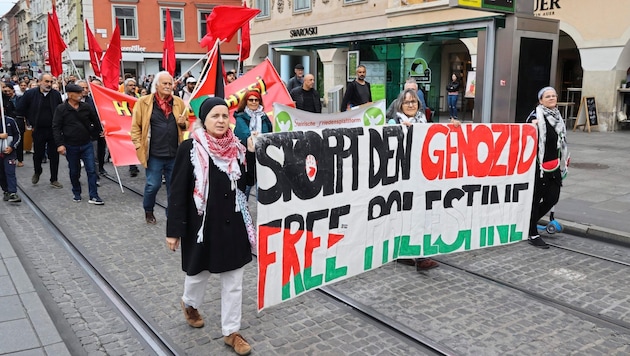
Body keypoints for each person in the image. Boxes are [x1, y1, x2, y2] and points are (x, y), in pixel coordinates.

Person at [166, 97, 253, 356]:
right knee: (198, 274)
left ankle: (231, 332)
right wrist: (174, 230)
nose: (221, 120)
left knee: (234, 281)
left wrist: (254, 153)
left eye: (225, 116)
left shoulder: (237, 147)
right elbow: (178, 190)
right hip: (202, 224)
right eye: (215, 116)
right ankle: (189, 303)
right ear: (204, 120)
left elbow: (248, 180)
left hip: (233, 223)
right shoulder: (190, 148)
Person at [387, 88, 460, 270]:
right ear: (400, 105)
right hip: (401, 178)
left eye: (414, 102)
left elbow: (440, 135)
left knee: (421, 214)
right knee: (404, 215)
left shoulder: (424, 121)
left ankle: (420, 256)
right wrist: (401, 131)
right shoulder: (392, 121)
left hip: (422, 176)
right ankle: (402, 252)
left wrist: (454, 126)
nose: (411, 105)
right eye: (407, 102)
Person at [131, 71, 189, 224]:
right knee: (153, 185)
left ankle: (172, 214)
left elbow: (186, 125)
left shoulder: (178, 102)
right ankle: (148, 210)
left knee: (173, 187)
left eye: (170, 83)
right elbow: (135, 127)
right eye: (165, 83)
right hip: (154, 154)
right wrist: (138, 145)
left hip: (174, 154)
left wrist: (183, 123)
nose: (168, 86)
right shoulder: (143, 102)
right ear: (156, 85)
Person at [525, 86, 569, 249]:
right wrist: (533, 127)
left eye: (553, 95)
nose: (551, 98)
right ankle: (532, 232)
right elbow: (525, 136)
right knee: (535, 200)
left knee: (553, 198)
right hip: (539, 166)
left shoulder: (557, 116)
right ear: (540, 100)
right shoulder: (535, 116)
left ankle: (529, 222)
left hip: (554, 165)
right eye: (547, 96)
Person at [52, 84, 104, 204]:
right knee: (74, 171)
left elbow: (95, 121)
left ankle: (94, 195)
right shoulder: (61, 109)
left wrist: (99, 133)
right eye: (78, 93)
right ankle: (76, 192)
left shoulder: (85, 107)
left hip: (87, 144)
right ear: (70, 95)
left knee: (91, 170)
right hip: (71, 145)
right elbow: (56, 127)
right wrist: (60, 144)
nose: (81, 95)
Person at [15, 73, 64, 189]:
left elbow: (61, 110)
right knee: (38, 154)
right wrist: (29, 121)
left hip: (53, 130)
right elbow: (20, 109)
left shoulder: (56, 94)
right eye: (46, 81)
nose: (49, 84)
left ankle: (54, 179)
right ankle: (37, 171)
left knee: (54, 155)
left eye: (51, 82)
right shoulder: (30, 94)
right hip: (38, 129)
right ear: (39, 82)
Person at [234, 90, 272, 201]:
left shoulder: (264, 117)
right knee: (247, 186)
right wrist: (255, 137)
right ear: (246, 101)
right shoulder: (240, 117)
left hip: (262, 156)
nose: (254, 102)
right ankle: (242, 213)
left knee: (263, 187)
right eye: (251, 100)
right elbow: (244, 134)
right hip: (247, 158)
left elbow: (270, 131)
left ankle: (263, 214)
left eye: (256, 100)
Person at [0, 115, 22, 203]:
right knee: (1, 174)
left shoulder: (10, 121)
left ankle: (13, 192)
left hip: (9, 153)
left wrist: (12, 147)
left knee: (10, 171)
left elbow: (17, 135)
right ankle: (6, 190)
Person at [124, 78, 141, 178]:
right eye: (130, 85)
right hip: (127, 125)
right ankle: (132, 167)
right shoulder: (122, 97)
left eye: (134, 85)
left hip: (138, 125)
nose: (133, 87)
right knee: (131, 146)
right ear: (126, 87)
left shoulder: (139, 97)